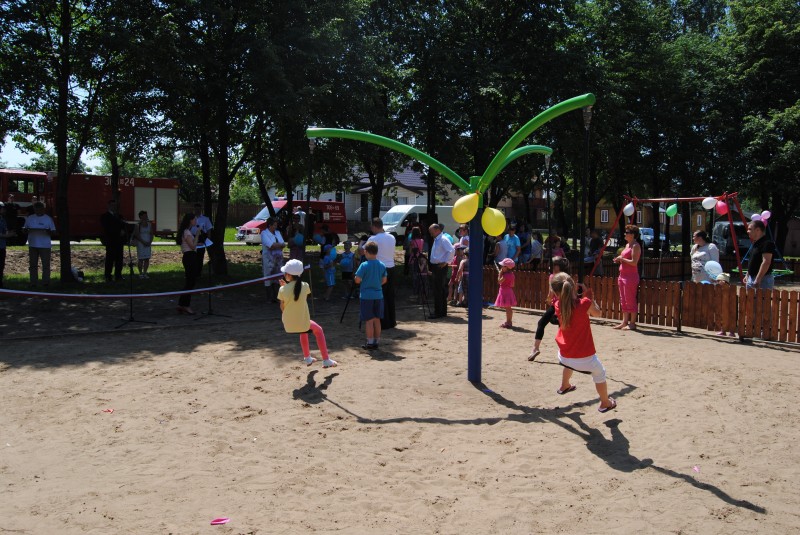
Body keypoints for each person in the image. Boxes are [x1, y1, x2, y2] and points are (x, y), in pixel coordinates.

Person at [550, 272, 616, 413]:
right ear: (574, 287)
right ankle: (605, 403)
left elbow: (567, 302)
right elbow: (598, 313)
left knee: (569, 363)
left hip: (564, 355)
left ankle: (564, 385)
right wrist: (588, 295)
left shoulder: (557, 304)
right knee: (600, 373)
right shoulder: (584, 304)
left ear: (556, 292)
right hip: (584, 358)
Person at [278, 259, 337, 368]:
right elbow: (298, 294)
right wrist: (286, 286)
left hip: (288, 323)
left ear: (288, 275)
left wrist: (284, 286)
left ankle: (307, 358)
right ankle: (326, 359)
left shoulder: (282, 289)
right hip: (301, 321)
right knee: (318, 330)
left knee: (304, 330)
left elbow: (283, 307)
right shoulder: (305, 286)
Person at [528, 256, 570, 361]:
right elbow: (551, 291)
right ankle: (535, 348)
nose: (551, 267)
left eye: (554, 265)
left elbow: (565, 292)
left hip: (562, 306)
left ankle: (564, 353)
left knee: (561, 328)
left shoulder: (564, 277)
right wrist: (549, 298)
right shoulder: (552, 276)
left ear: (559, 267)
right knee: (542, 323)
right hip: (554, 305)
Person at [355, 241, 388, 350]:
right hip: (378, 295)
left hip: (366, 296)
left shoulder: (364, 265)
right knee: (377, 319)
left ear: (366, 252)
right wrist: (377, 284)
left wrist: (363, 281)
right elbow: (384, 280)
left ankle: (369, 342)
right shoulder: (382, 265)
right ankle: (376, 341)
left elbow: (357, 280)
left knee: (369, 320)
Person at [368, 218, 397, 329]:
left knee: (381, 295)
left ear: (375, 226)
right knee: (390, 295)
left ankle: (384, 322)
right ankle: (392, 320)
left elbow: (364, 250)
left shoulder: (373, 238)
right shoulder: (391, 237)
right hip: (391, 267)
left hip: (380, 268)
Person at [612, 224, 641, 330]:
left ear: (632, 235)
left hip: (630, 276)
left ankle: (632, 323)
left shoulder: (635, 246)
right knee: (623, 299)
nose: (625, 234)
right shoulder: (628, 245)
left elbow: (634, 262)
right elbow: (626, 259)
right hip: (622, 275)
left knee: (630, 299)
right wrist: (619, 259)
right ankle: (624, 322)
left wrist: (622, 259)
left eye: (627, 232)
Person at [22, 202, 56, 287]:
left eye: (39, 208)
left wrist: (47, 231)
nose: (37, 210)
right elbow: (24, 229)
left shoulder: (48, 219)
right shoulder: (30, 218)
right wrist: (25, 230)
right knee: (33, 265)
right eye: (36, 209)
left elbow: (54, 232)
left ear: (43, 209)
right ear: (34, 209)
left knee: (46, 265)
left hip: (45, 245)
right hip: (33, 244)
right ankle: (33, 282)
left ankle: (46, 282)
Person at [176, 212, 201, 314]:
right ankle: (185, 305)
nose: (196, 221)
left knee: (190, 282)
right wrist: (198, 235)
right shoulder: (186, 232)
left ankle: (181, 304)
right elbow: (193, 246)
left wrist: (197, 242)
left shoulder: (187, 231)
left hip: (189, 257)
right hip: (190, 257)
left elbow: (191, 244)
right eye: (195, 219)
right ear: (190, 220)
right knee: (190, 282)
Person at [428, 223, 455, 319]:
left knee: (438, 290)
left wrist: (446, 262)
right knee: (440, 289)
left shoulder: (443, 239)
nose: (431, 234)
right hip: (437, 266)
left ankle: (438, 312)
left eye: (432, 232)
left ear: (436, 230)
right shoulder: (438, 239)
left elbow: (451, 250)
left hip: (440, 267)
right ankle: (442, 311)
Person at [100, 199, 127, 282]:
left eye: (115, 206)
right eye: (112, 205)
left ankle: (118, 275)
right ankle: (108, 276)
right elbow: (107, 228)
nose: (114, 207)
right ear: (108, 206)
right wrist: (118, 231)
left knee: (119, 259)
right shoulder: (105, 216)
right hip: (111, 241)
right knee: (110, 259)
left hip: (119, 241)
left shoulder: (119, 216)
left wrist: (123, 231)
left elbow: (124, 225)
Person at [261, 217, 286, 303]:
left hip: (278, 260)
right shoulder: (264, 233)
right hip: (268, 259)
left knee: (278, 277)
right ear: (269, 225)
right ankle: (269, 298)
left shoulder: (278, 233)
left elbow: (283, 244)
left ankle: (276, 297)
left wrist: (276, 245)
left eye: (276, 225)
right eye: (274, 225)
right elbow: (270, 246)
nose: (276, 227)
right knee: (268, 278)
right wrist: (278, 245)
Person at [745, 220, 775, 290]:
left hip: (763, 280)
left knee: (761, 301)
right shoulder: (755, 243)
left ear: (758, 230)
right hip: (751, 278)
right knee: (750, 301)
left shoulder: (767, 243)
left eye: (750, 229)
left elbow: (766, 262)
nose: (747, 231)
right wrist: (747, 274)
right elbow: (753, 261)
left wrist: (758, 279)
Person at [495, 258, 518, 328]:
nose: (501, 267)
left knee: (508, 308)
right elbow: (512, 285)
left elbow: (499, 281)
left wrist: (500, 274)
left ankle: (508, 322)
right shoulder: (512, 274)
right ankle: (509, 321)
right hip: (509, 291)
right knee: (508, 308)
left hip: (504, 291)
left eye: (503, 266)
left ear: (507, 267)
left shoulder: (505, 275)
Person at [192, 202, 213, 276]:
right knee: (192, 257)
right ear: (194, 209)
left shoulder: (205, 219)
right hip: (192, 238)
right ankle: (192, 272)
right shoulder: (191, 218)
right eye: (196, 209)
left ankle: (198, 273)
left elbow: (209, 230)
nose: (197, 210)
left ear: (201, 209)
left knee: (200, 257)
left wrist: (208, 240)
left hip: (201, 239)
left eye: (198, 209)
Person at [131, 210, 153, 279]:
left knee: (147, 258)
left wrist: (150, 242)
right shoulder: (138, 225)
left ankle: (145, 273)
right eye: (144, 215)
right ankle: (140, 273)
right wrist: (143, 242)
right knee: (141, 259)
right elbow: (137, 235)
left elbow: (151, 234)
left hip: (148, 242)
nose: (146, 217)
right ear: (140, 216)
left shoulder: (149, 224)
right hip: (141, 243)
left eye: (146, 215)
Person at [0, 202, 17, 288]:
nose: (4, 210)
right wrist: (7, 235)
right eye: (3, 208)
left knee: (1, 266)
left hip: (2, 246)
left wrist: (10, 233)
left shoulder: (3, 219)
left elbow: (4, 231)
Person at [714, 272, 736, 337]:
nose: (717, 283)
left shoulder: (728, 288)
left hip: (729, 308)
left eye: (719, 281)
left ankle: (732, 332)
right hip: (722, 307)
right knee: (722, 320)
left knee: (730, 319)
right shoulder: (719, 288)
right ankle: (723, 331)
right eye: (717, 281)